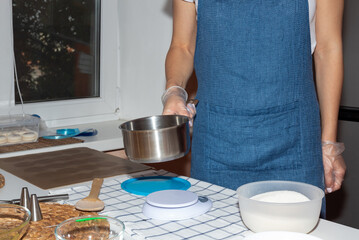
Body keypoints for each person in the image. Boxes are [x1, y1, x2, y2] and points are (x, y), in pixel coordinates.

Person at [162, 0, 346, 203]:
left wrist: (329, 144)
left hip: (295, 144)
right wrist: (174, 90)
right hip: (217, 144)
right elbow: (182, 46)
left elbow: (328, 50)